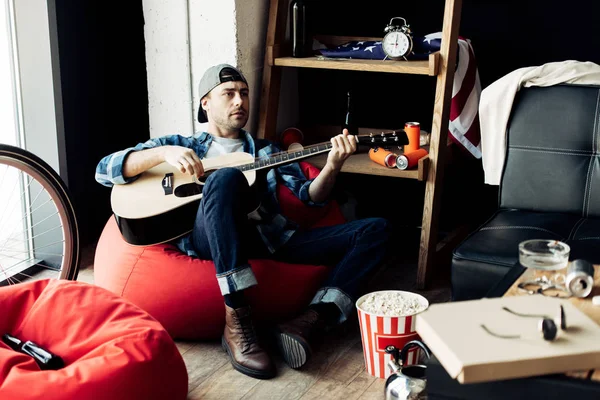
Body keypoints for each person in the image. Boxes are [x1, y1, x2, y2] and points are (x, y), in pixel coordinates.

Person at [95, 64, 390, 379]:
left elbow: (309, 198)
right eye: (229, 94)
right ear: (205, 103)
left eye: (244, 93)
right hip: (212, 238)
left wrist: (332, 165)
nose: (240, 101)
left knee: (376, 229)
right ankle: (237, 319)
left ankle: (311, 319)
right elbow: (104, 169)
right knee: (225, 179)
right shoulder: (182, 144)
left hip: (270, 239)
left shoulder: (266, 151)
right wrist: (163, 153)